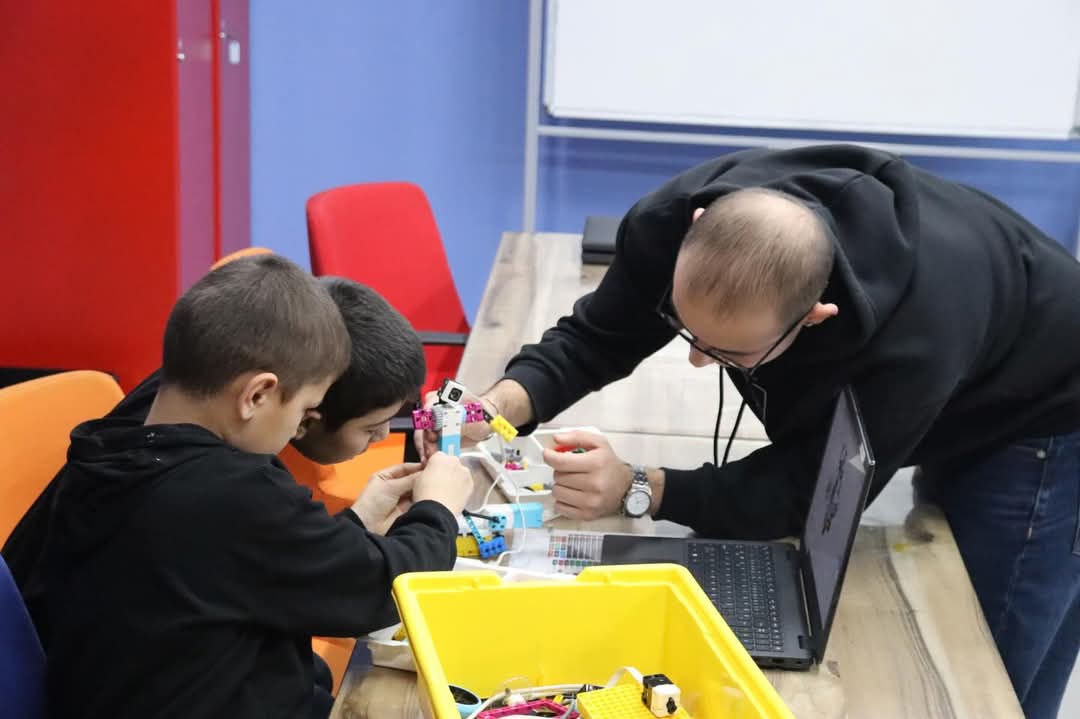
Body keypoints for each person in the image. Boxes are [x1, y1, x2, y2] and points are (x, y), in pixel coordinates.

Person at [419, 145, 1080, 719]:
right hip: (975, 351)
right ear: (694, 230)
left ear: (815, 317)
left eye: (728, 352)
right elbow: (598, 336)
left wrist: (640, 486)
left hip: (1047, 411)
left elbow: (810, 493)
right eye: (684, 327)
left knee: (981, 671)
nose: (696, 360)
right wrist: (496, 405)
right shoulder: (670, 220)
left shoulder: (916, 339)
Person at [41, 255, 473, 719]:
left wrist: (357, 520)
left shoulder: (126, 441)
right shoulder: (227, 493)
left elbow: (258, 566)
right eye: (304, 410)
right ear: (257, 395)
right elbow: (380, 591)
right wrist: (438, 510)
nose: (298, 429)